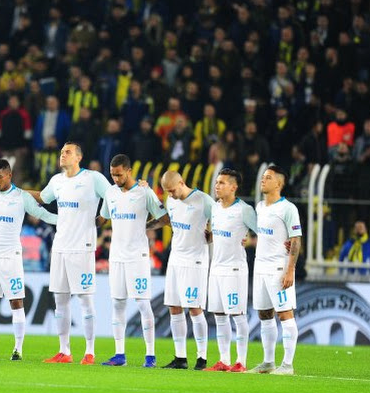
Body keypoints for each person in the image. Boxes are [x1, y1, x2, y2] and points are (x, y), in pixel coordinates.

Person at [0, 158, 57, 360]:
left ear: (9, 175)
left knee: (16, 301)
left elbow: (43, 214)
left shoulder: (22, 197)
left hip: (11, 256)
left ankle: (18, 349)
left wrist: (68, 220)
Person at [30, 142, 111, 365]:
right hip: (60, 247)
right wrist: (16, 192)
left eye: (67, 152)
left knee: (85, 299)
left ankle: (90, 351)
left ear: (78, 157)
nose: (62, 155)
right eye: (61, 152)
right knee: (60, 300)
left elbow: (113, 196)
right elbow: (43, 198)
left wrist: (102, 217)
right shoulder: (56, 181)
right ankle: (64, 351)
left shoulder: (93, 178)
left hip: (82, 247)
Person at [97, 154, 168, 367]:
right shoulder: (110, 192)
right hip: (116, 257)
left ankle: (150, 355)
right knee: (117, 303)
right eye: (112, 175)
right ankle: (119, 355)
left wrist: (147, 227)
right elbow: (103, 218)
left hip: (137, 256)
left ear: (128, 171)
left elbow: (164, 217)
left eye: (119, 175)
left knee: (143, 303)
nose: (116, 178)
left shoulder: (144, 192)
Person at [153, 170, 215, 370]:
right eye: (167, 192)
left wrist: (213, 235)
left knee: (195, 309)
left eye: (172, 190)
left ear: (181, 182)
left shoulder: (203, 200)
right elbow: (172, 223)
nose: (170, 195)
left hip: (195, 260)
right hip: (176, 259)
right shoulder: (171, 201)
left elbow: (223, 219)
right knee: (174, 307)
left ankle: (202, 358)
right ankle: (180, 358)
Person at [249, 165, 302, 375]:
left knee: (285, 313)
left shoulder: (288, 208)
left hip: (279, 267)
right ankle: (268, 362)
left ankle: (287, 365)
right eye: (263, 177)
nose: (263, 180)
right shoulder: (260, 206)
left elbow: (295, 240)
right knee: (264, 314)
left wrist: (290, 270)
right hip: (260, 266)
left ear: (278, 183)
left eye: (268, 177)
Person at [204, 169, 257, 373]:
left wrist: (250, 240)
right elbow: (214, 234)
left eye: (222, 183)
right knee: (219, 315)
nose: (217, 186)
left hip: (234, 269)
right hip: (216, 268)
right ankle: (224, 360)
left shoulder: (244, 210)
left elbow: (263, 232)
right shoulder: (215, 208)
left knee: (238, 315)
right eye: (217, 182)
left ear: (234, 187)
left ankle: (240, 362)